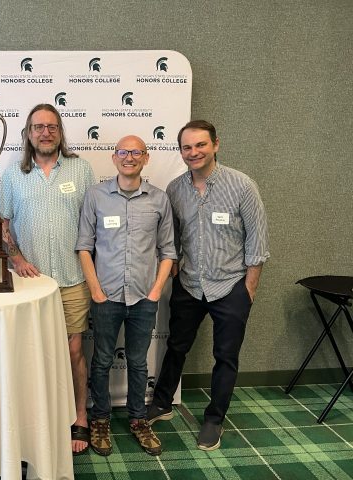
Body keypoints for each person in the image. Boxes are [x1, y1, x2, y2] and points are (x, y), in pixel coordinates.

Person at [147, 120, 270, 451]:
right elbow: (171, 238)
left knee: (225, 356)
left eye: (200, 145)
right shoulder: (175, 189)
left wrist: (249, 289)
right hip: (189, 283)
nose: (194, 152)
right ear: (181, 152)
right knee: (177, 345)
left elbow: (258, 241)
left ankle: (214, 419)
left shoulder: (242, 186)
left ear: (216, 144)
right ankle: (161, 404)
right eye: (187, 147)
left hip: (231, 286)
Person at [0, 104, 95, 455]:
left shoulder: (81, 170)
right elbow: (2, 224)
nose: (45, 132)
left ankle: (79, 416)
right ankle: (32, 421)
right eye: (38, 127)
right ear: (28, 133)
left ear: (60, 132)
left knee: (73, 351)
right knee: (28, 355)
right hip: (28, 284)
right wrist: (17, 258)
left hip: (71, 280)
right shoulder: (13, 175)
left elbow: (94, 221)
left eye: (52, 126)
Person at [76, 135, 176, 456]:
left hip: (145, 297)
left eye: (136, 152)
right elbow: (84, 246)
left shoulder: (159, 200)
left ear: (145, 158)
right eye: (123, 152)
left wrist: (156, 289)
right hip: (105, 296)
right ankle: (101, 418)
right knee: (102, 360)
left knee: (137, 363)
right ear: (114, 157)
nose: (129, 157)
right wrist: (95, 289)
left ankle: (137, 419)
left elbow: (168, 251)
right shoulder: (96, 196)